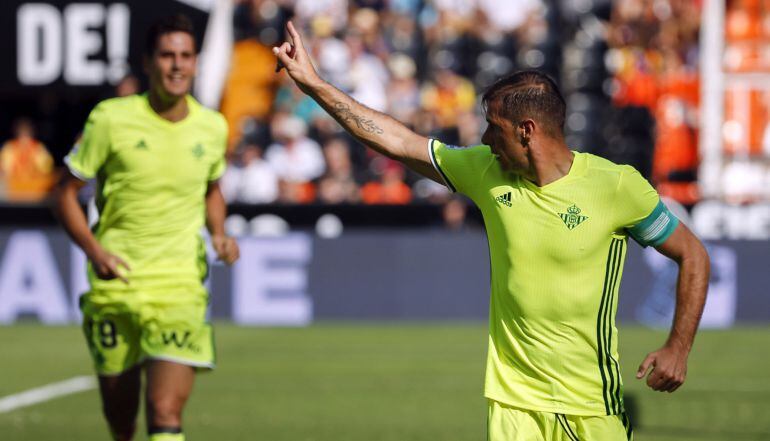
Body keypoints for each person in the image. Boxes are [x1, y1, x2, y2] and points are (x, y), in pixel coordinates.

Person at [273, 21, 710, 440]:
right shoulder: (486, 170)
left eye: (493, 129)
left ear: (527, 131)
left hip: (589, 404)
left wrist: (678, 347)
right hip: (512, 404)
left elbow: (693, 254)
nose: (484, 140)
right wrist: (315, 86)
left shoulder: (615, 186)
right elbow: (398, 142)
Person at [53, 15, 239, 441]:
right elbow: (64, 194)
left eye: (186, 56)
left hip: (179, 286)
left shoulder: (212, 126)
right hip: (115, 282)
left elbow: (212, 188)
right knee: (120, 420)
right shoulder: (110, 120)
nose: (177, 65)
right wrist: (95, 253)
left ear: (196, 63)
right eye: (167, 55)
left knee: (165, 410)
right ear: (148, 63)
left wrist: (219, 233)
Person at [0, 118, 55, 201]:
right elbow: (4, 169)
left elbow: (46, 169)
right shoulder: (9, 147)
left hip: (35, 187)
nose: (24, 137)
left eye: (26, 133)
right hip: (14, 187)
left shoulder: (38, 148)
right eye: (22, 133)